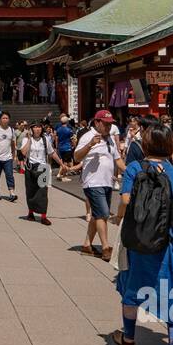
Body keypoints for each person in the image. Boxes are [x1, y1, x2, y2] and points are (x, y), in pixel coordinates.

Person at [111, 123, 173, 345]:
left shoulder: (135, 168)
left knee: (131, 287)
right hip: (170, 243)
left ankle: (129, 337)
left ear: (145, 144)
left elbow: (125, 199)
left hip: (139, 241)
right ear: (170, 145)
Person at [71, 109, 121, 260]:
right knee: (103, 214)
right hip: (93, 182)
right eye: (105, 124)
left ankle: (87, 245)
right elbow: (76, 156)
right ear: (97, 122)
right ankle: (106, 247)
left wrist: (132, 171)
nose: (108, 127)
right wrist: (90, 145)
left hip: (107, 182)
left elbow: (118, 159)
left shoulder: (110, 139)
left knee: (98, 214)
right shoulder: (87, 136)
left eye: (110, 124)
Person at [19, 119, 59, 226]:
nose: (37, 129)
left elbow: (52, 153)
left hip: (43, 168)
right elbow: (23, 152)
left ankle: (43, 216)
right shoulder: (26, 139)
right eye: (35, 127)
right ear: (31, 129)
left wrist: (61, 163)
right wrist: (29, 139)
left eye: (39, 127)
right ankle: (31, 213)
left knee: (43, 193)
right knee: (31, 191)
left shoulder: (45, 140)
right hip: (30, 167)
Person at [0, 111, 18, 201]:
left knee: (10, 175)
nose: (5, 120)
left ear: (9, 120)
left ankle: (12, 192)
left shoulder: (11, 130)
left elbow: (13, 144)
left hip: (8, 157)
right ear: (0, 119)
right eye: (3, 118)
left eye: (7, 118)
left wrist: (14, 155)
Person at [55, 114, 76, 181]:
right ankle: (63, 176)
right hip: (67, 147)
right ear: (67, 122)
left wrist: (57, 146)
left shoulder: (58, 129)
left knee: (63, 161)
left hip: (60, 147)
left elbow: (56, 138)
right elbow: (72, 139)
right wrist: (74, 145)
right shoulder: (69, 130)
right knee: (66, 162)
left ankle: (60, 174)